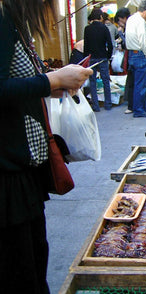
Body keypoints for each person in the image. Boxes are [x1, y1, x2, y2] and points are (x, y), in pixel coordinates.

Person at [0, 0, 92, 293]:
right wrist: (51, 79)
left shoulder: (14, 21)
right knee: (21, 271)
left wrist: (53, 85)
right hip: (6, 176)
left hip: (22, 171)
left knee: (35, 259)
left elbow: (18, 86)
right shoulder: (3, 19)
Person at [125, 0, 146, 118]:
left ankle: (142, 107)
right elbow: (142, 39)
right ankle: (139, 110)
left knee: (136, 84)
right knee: (140, 85)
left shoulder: (131, 19)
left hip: (132, 53)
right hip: (140, 54)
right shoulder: (140, 21)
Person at [84, 8, 113, 112]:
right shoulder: (104, 28)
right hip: (102, 57)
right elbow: (110, 44)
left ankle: (95, 106)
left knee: (92, 82)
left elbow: (86, 46)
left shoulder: (87, 29)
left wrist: (86, 57)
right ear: (101, 17)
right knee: (106, 81)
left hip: (92, 58)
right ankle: (108, 104)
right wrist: (108, 56)